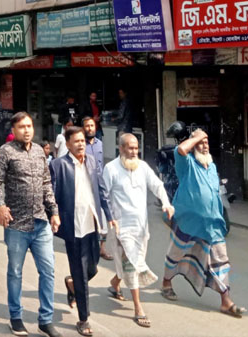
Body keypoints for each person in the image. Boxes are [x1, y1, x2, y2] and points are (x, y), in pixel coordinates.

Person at [0, 112, 62, 337]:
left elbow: (46, 183)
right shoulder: (6, 152)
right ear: (14, 130)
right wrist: (0, 206)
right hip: (16, 225)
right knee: (15, 272)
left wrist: (54, 212)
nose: (27, 130)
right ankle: (16, 317)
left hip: (41, 223)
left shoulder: (41, 151)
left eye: (29, 126)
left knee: (48, 272)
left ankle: (46, 319)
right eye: (22, 127)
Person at [160, 129, 246, 318]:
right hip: (188, 223)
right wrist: (196, 136)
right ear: (193, 145)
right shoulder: (187, 163)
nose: (204, 145)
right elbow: (181, 150)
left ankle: (226, 301)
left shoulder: (212, 166)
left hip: (213, 226)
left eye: (207, 142)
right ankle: (166, 282)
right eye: (200, 142)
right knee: (176, 254)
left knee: (221, 262)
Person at [49, 126, 115, 337]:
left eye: (82, 141)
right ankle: (83, 319)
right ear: (66, 143)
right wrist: (53, 215)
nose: (80, 144)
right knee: (80, 271)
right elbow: (50, 194)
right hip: (73, 226)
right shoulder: (58, 165)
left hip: (91, 223)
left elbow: (102, 191)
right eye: (75, 141)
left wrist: (110, 216)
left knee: (93, 268)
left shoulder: (92, 161)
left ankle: (72, 283)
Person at [103, 133, 174, 328]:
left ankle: (115, 282)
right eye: (130, 148)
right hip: (121, 227)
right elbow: (104, 197)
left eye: (136, 148)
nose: (134, 151)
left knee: (133, 260)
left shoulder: (142, 167)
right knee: (133, 265)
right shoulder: (111, 169)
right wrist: (106, 224)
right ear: (121, 148)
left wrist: (167, 204)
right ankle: (138, 307)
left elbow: (157, 185)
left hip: (141, 227)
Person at [82, 117, 111, 261]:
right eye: (87, 126)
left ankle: (102, 248)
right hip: (86, 185)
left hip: (100, 184)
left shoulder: (100, 143)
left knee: (104, 216)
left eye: (92, 125)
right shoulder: (81, 145)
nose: (90, 128)